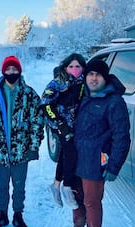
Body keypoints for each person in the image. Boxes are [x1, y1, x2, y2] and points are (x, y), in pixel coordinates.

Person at [58, 59, 131, 227]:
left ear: (105, 77)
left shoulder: (114, 102)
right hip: (77, 159)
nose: (93, 78)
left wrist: (114, 166)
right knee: (76, 197)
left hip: (96, 161)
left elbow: (122, 136)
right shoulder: (83, 96)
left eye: (98, 74)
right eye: (90, 74)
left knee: (91, 200)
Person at [0, 55, 44, 227]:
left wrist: (33, 147)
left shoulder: (29, 95)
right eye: (8, 69)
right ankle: (2, 214)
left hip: (21, 151)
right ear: (3, 71)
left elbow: (37, 122)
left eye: (14, 69)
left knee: (19, 186)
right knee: (1, 186)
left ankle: (18, 215)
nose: (11, 72)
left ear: (20, 71)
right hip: (0, 150)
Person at [41, 53, 86, 209]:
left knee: (65, 154)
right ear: (65, 67)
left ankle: (55, 185)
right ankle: (67, 187)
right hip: (60, 124)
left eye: (78, 66)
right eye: (71, 66)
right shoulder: (58, 82)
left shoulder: (83, 82)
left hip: (76, 125)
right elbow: (45, 104)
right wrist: (59, 123)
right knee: (71, 152)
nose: (74, 69)